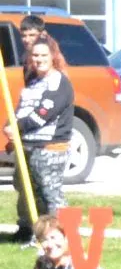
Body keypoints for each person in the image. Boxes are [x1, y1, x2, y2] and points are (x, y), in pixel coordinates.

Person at [12, 31, 77, 236]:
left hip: (50, 147)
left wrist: (16, 126)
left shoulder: (59, 82)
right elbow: (22, 110)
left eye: (43, 55)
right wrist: (10, 125)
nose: (38, 59)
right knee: (30, 193)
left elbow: (42, 115)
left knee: (51, 194)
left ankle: (65, 234)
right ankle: (33, 233)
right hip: (28, 146)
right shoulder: (33, 82)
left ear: (53, 57)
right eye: (35, 55)